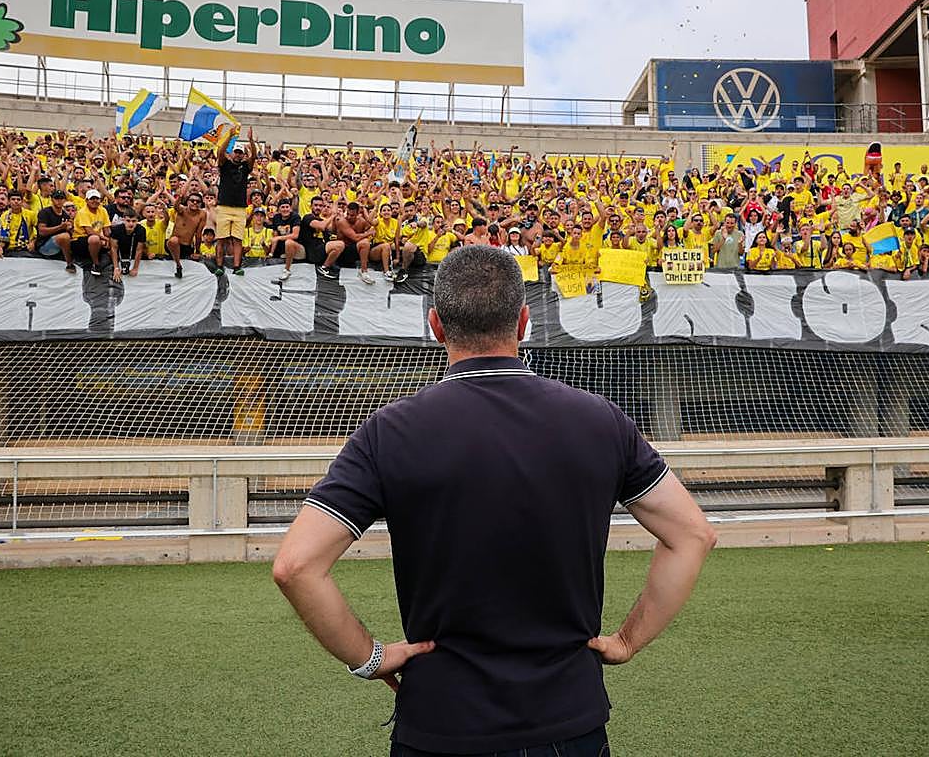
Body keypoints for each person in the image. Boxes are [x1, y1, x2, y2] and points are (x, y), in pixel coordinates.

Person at [274, 245, 715, 756]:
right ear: (525, 322)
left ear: (436, 325)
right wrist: (627, 641)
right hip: (568, 721)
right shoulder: (601, 421)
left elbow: (295, 566)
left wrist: (370, 658)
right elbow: (693, 534)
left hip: (440, 723)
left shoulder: (389, 433)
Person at [215, 124, 258, 276]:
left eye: (241, 153)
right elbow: (220, 152)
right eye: (236, 152)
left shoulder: (245, 168)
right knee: (221, 239)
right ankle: (219, 265)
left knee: (237, 239)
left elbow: (254, 157)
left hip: (240, 208)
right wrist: (230, 136)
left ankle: (236, 266)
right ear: (231, 153)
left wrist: (251, 141)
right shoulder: (224, 164)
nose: (239, 155)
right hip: (224, 207)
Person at [109, 208, 147, 282]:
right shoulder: (116, 229)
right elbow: (113, 248)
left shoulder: (141, 230)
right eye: (128, 221)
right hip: (120, 253)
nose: (131, 224)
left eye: (133, 221)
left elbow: (139, 250)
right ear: (123, 220)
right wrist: (116, 267)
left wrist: (135, 267)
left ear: (137, 221)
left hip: (132, 252)